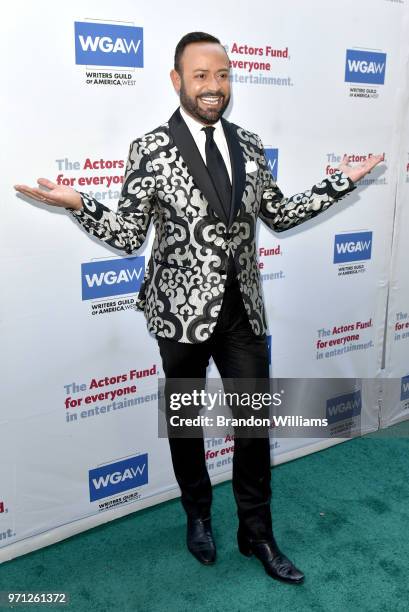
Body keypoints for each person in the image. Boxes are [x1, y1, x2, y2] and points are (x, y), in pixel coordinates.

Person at [14, 31, 382, 585]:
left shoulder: (251, 144)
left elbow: (278, 214)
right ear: (177, 80)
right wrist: (80, 204)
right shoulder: (151, 148)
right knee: (186, 425)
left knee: (253, 428)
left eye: (224, 75)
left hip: (243, 315)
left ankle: (256, 533)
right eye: (202, 76)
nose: (214, 87)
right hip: (178, 314)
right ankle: (199, 517)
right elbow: (126, 232)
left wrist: (339, 184)